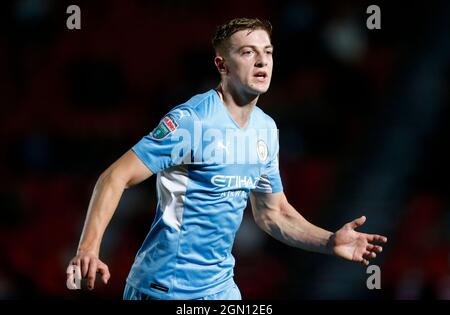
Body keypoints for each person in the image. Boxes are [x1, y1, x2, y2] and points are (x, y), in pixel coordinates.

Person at [66, 18, 387, 300]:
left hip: (221, 290)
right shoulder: (192, 121)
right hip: (163, 289)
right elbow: (114, 178)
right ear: (222, 66)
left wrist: (329, 241)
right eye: (248, 52)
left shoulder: (266, 130)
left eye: (268, 51)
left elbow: (273, 214)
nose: (262, 61)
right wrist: (88, 249)